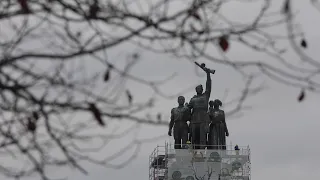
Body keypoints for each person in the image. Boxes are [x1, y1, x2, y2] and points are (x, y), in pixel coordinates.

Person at [187, 68, 212, 149]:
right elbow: (188, 108)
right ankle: (194, 151)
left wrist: (208, 74)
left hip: (203, 118)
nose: (199, 89)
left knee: (202, 136)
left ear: (202, 89)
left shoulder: (205, 96)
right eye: (198, 88)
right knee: (194, 136)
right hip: (194, 119)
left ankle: (202, 151)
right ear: (196, 90)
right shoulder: (193, 99)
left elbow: (208, 85)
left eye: (200, 88)